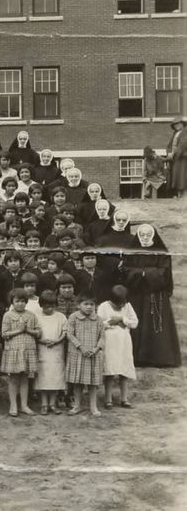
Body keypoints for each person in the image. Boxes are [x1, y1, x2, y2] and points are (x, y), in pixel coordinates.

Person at [121, 224, 181, 368]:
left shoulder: (161, 252)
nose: (145, 238)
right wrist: (144, 272)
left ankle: (159, 358)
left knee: (155, 324)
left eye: (148, 235)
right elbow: (125, 269)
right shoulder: (131, 251)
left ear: (153, 235)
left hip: (155, 293)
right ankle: (137, 358)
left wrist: (143, 273)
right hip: (136, 293)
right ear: (139, 235)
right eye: (142, 235)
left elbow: (164, 272)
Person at [0, 289, 40, 417]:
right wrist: (18, 330)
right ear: (12, 302)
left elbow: (38, 332)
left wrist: (28, 330)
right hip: (14, 350)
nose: (20, 304)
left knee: (25, 378)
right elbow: (4, 334)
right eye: (17, 301)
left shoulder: (31, 315)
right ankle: (13, 405)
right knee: (13, 378)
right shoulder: (8, 315)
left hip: (28, 350)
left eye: (23, 301)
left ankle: (24, 405)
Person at [98, 285, 137, 408]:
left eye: (122, 303)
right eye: (117, 304)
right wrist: (111, 322)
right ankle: (108, 398)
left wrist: (122, 319)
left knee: (123, 370)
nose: (120, 306)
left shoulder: (127, 306)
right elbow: (99, 324)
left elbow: (134, 323)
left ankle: (124, 398)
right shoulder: (103, 306)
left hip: (124, 343)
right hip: (110, 343)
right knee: (110, 370)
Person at [65, 296, 105, 417]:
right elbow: (69, 334)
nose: (89, 307)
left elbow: (102, 336)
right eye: (86, 304)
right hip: (78, 354)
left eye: (91, 304)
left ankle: (93, 407)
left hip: (93, 355)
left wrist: (96, 349)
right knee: (78, 382)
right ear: (78, 305)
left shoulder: (98, 319)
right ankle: (77, 406)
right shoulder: (73, 317)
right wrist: (81, 347)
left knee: (93, 383)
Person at [35, 293, 67, 415]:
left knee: (55, 376)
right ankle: (44, 404)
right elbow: (35, 332)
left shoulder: (61, 317)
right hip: (42, 349)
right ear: (41, 305)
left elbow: (65, 332)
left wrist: (57, 341)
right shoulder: (36, 316)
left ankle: (52, 404)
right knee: (43, 376)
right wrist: (41, 341)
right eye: (46, 306)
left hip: (57, 349)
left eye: (52, 306)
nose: (49, 308)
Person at [166, 117, 187, 197]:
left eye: (178, 124)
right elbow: (169, 145)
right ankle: (178, 194)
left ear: (182, 124)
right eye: (175, 125)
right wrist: (168, 153)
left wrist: (174, 153)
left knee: (182, 176)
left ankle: (183, 195)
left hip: (183, 157)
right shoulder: (174, 134)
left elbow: (183, 145)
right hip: (174, 158)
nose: (176, 126)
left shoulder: (185, 132)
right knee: (174, 177)